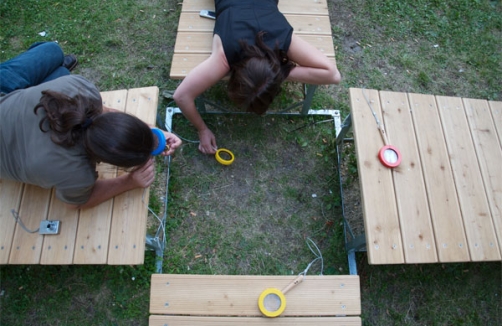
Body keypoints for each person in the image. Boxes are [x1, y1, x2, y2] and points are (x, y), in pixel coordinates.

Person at [0, 42, 182, 209]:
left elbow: (104, 112)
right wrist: (129, 182)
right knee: (56, 62)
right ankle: (56, 72)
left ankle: (56, 72)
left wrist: (149, 131)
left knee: (57, 63)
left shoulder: (75, 88)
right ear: (108, 160)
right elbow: (78, 203)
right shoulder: (76, 174)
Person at [173, 0, 341, 155]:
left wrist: (278, 73)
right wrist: (202, 129)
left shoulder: (278, 37)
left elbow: (333, 75)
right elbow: (180, 96)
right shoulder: (226, 55)